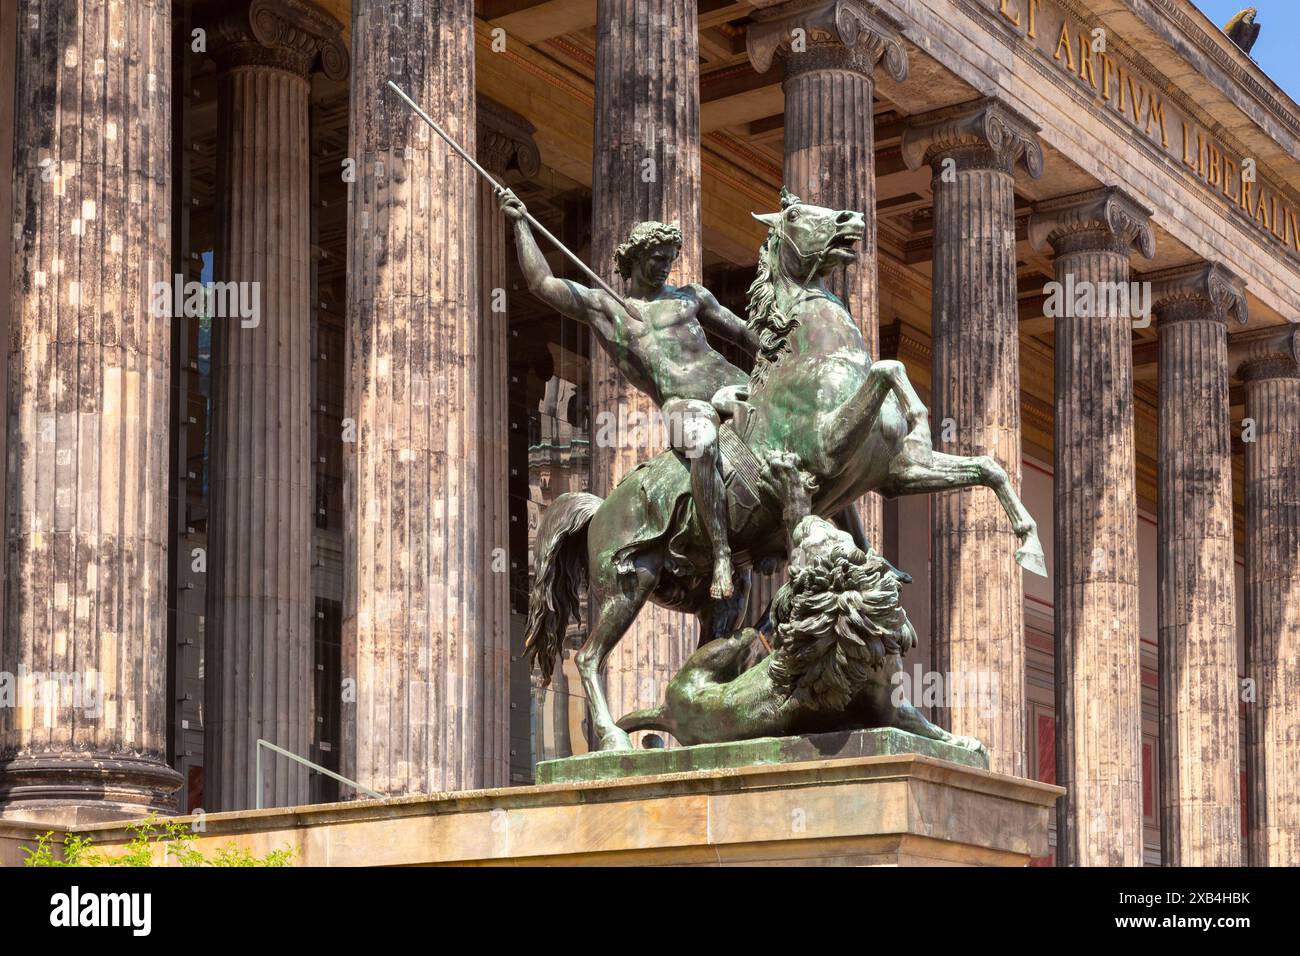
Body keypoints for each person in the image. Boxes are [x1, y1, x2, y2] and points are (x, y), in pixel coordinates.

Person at [498, 187, 759, 600]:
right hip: (684, 406)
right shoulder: (610, 308)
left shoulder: (692, 298)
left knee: (805, 431)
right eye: (656, 260)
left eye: (670, 261)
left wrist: (782, 350)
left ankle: (858, 544)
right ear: (634, 259)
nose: (664, 268)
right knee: (704, 443)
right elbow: (542, 283)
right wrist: (520, 224)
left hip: (735, 387)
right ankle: (722, 552)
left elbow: (742, 332)